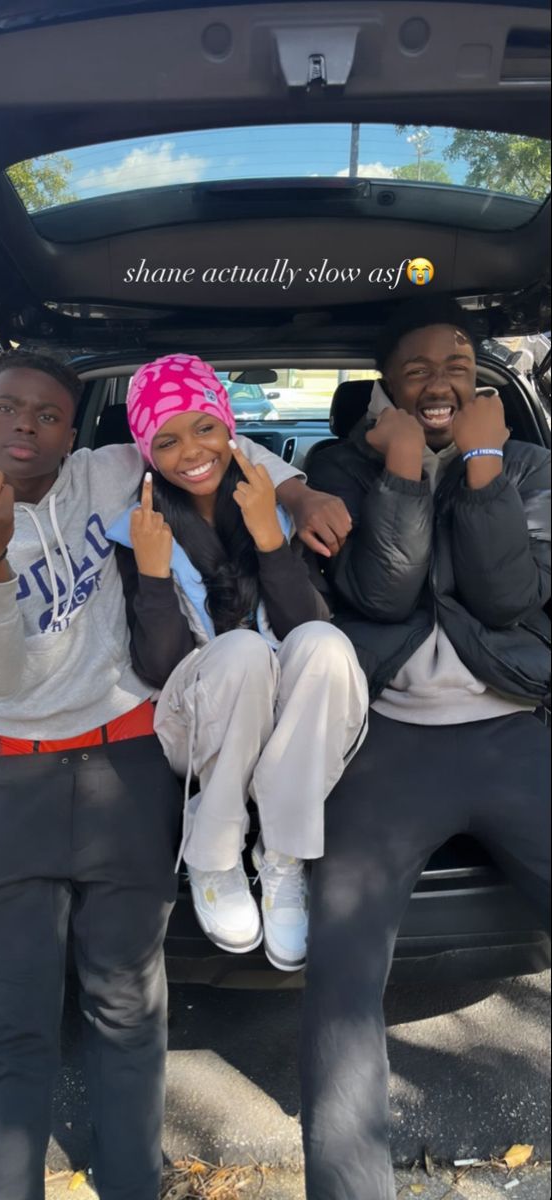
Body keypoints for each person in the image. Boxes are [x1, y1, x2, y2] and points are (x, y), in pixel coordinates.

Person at [0, 348, 355, 1200]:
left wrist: (295, 492)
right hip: (19, 783)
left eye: (48, 414)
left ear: (72, 431)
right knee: (13, 1029)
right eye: (8, 409)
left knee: (127, 1017)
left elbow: (218, 450)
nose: (28, 427)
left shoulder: (109, 471)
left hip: (130, 769)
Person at [300, 297, 551, 1200]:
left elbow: (506, 599)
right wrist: (402, 468)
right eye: (415, 367)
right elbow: (377, 594)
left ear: (481, 375)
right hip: (387, 742)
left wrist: (480, 464)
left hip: (512, 730)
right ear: (386, 386)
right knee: (341, 975)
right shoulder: (339, 465)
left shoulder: (526, 463)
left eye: (456, 361)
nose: (438, 379)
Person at [106, 354, 368, 972]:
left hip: (288, 715)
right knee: (245, 651)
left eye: (205, 428)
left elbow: (307, 627)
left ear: (230, 428)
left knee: (327, 646)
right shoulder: (138, 527)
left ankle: (283, 857)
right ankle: (215, 853)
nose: (191, 451)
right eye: (166, 440)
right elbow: (159, 665)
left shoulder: (268, 504)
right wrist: (150, 568)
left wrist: (270, 536)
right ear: (147, 452)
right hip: (196, 722)